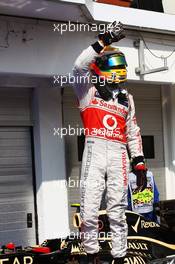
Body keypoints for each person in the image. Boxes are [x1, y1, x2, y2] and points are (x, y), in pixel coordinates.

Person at [72, 21, 147, 264]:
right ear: (102, 67)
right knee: (90, 209)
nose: (121, 68)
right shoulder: (87, 90)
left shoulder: (127, 98)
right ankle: (92, 254)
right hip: (95, 150)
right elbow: (78, 66)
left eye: (123, 64)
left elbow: (133, 131)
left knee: (118, 211)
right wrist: (104, 40)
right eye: (116, 64)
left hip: (119, 154)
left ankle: (119, 257)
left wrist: (139, 162)